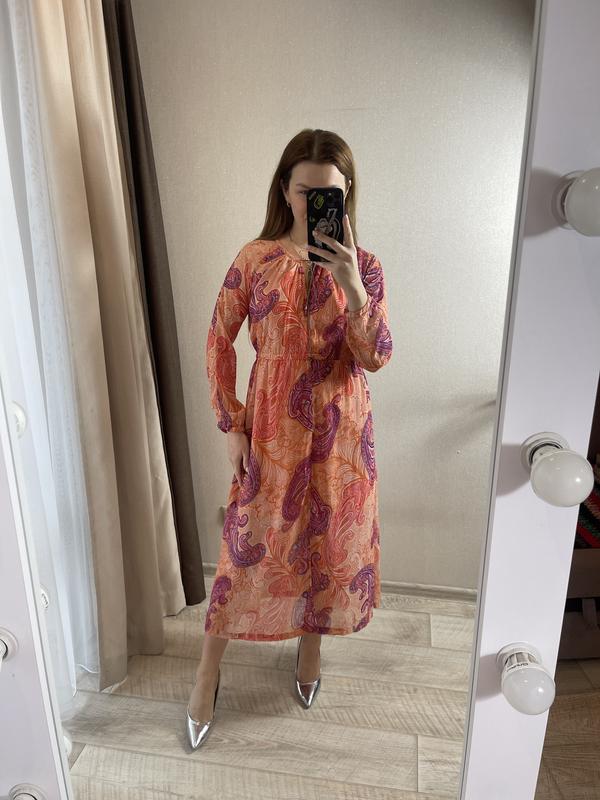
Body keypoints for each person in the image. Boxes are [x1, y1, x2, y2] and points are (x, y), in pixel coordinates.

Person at [186, 128, 393, 749]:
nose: (316, 203)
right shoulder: (255, 259)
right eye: (306, 191)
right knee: (246, 549)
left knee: (325, 543)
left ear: (347, 193)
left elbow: (376, 356)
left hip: (341, 430)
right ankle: (206, 674)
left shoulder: (367, 268)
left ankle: (311, 648)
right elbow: (218, 340)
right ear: (284, 189)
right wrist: (231, 422)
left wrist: (353, 287)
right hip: (272, 429)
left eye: (331, 192)